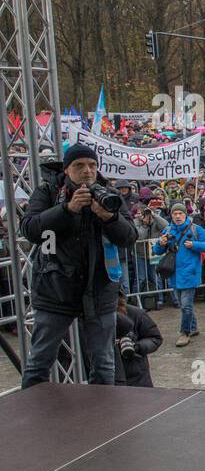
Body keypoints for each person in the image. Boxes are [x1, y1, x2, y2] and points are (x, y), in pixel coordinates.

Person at [18, 143, 139, 387]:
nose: (87, 170)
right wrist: (67, 209)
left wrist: (109, 217)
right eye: (79, 165)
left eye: (93, 165)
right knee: (40, 361)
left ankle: (102, 420)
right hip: (55, 289)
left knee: (104, 364)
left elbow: (129, 237)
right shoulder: (49, 191)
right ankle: (30, 418)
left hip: (99, 290)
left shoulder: (107, 192)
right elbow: (30, 229)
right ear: (67, 169)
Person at [154, 202, 205, 347]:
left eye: (180, 213)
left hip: (190, 272)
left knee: (186, 305)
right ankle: (193, 327)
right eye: (175, 214)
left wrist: (194, 245)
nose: (178, 216)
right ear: (171, 216)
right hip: (174, 273)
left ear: (185, 215)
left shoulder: (196, 229)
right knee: (183, 304)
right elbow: (157, 251)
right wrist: (160, 243)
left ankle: (184, 332)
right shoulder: (167, 230)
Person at [114, 290, 162, 387]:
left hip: (137, 377)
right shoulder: (93, 320)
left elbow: (155, 338)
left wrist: (136, 347)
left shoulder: (135, 313)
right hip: (110, 378)